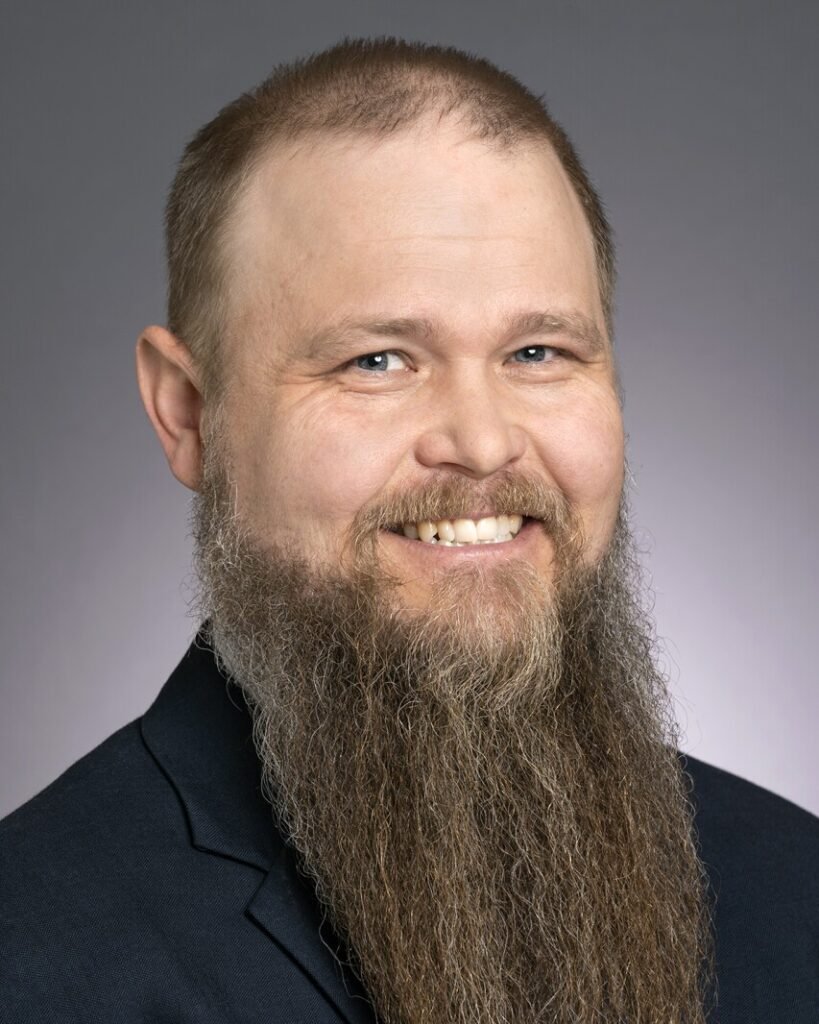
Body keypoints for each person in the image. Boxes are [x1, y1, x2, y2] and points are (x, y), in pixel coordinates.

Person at [1, 37, 817, 1024]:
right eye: (378, 361)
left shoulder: (795, 892)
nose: (481, 443)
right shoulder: (34, 959)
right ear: (188, 413)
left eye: (537, 351)